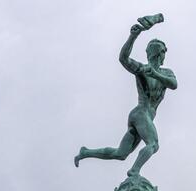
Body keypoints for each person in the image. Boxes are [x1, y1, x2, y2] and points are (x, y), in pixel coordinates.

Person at [74, 15, 177, 176]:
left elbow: (173, 84)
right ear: (160, 54)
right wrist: (132, 36)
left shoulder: (165, 73)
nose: (164, 55)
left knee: (120, 154)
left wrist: (155, 74)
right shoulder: (142, 69)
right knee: (153, 144)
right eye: (163, 52)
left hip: (142, 116)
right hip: (141, 113)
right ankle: (134, 171)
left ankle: (86, 152)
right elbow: (123, 59)